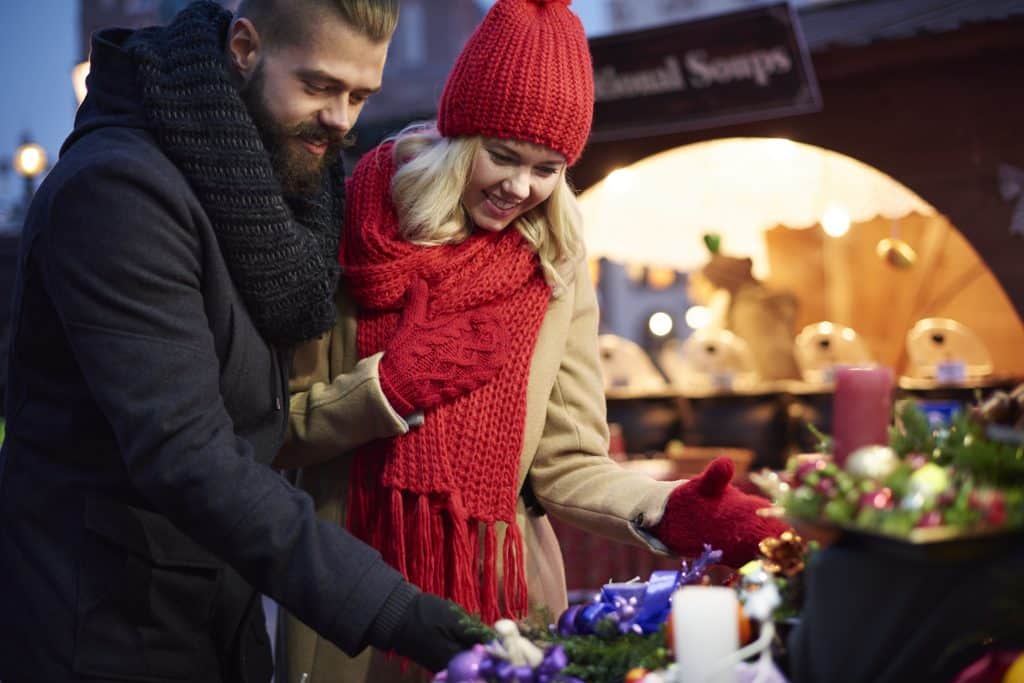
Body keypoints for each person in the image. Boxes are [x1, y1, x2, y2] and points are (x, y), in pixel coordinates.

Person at [279, 0, 789, 680]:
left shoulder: (556, 265)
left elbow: (567, 463)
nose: (521, 186)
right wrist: (384, 390)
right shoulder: (352, 228)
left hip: (501, 605)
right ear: (459, 137)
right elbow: (273, 429)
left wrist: (676, 509)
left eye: (548, 167)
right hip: (348, 593)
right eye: (503, 156)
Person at [0, 1, 481, 681]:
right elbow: (188, 453)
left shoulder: (262, 188)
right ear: (245, 48)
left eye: (360, 94)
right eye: (318, 85)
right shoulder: (118, 191)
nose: (342, 117)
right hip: (100, 628)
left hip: (210, 609)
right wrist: (399, 610)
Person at [687, 238, 802, 381]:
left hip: (771, 396)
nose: (692, 292)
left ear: (718, 285)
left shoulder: (749, 311)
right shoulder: (747, 307)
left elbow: (771, 368)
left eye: (698, 284)